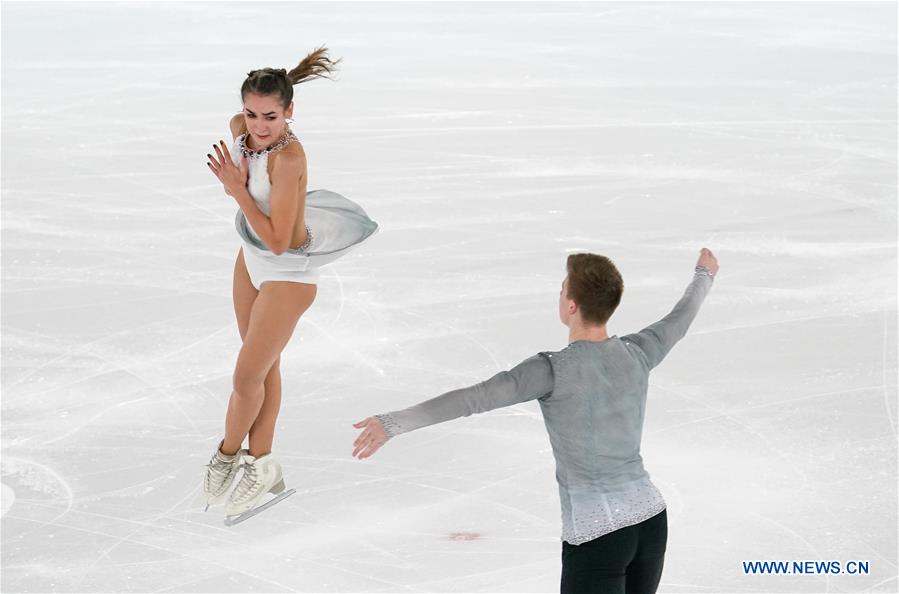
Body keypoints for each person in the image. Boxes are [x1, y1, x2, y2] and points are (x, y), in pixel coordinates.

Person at [353, 248, 719, 593]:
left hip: (600, 534)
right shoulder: (639, 350)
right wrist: (704, 274)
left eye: (562, 290)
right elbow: (681, 317)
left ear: (572, 306)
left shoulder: (551, 370)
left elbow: (474, 398)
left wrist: (392, 423)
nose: (559, 295)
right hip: (651, 522)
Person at [204, 47, 378, 522]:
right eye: (251, 113)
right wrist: (241, 161)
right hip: (250, 261)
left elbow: (280, 241)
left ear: (290, 113)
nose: (259, 126)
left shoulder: (289, 159)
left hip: (287, 272)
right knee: (263, 369)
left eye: (272, 116)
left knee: (245, 377)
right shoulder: (243, 132)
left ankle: (227, 456)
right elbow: (236, 127)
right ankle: (262, 467)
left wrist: (237, 189)